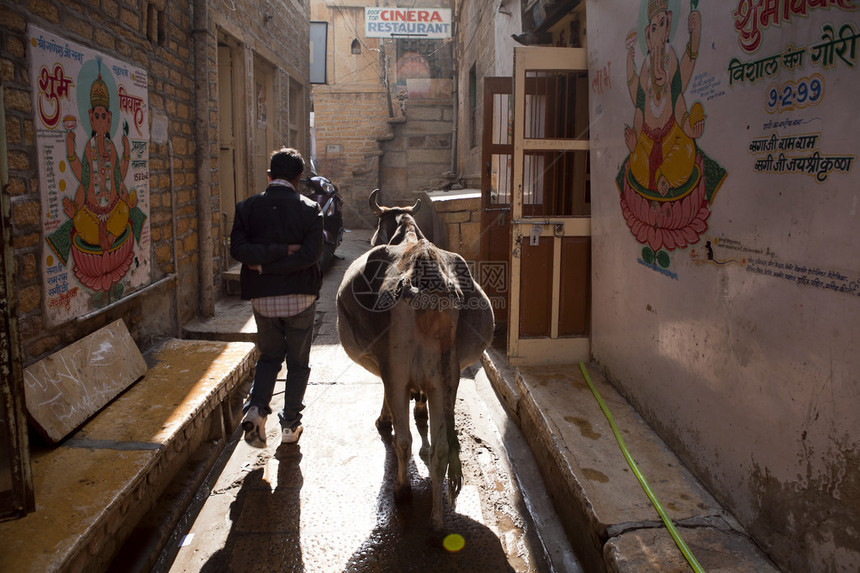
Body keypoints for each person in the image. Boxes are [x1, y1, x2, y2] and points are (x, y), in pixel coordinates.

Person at [230, 147, 323, 447]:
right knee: (298, 363)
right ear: (299, 178)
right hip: (301, 300)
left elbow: (240, 251)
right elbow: (310, 255)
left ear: (269, 175)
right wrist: (285, 251)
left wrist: (263, 263)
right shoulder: (310, 210)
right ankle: (290, 426)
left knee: (269, 357)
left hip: (263, 299)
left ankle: (257, 409)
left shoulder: (247, 208)